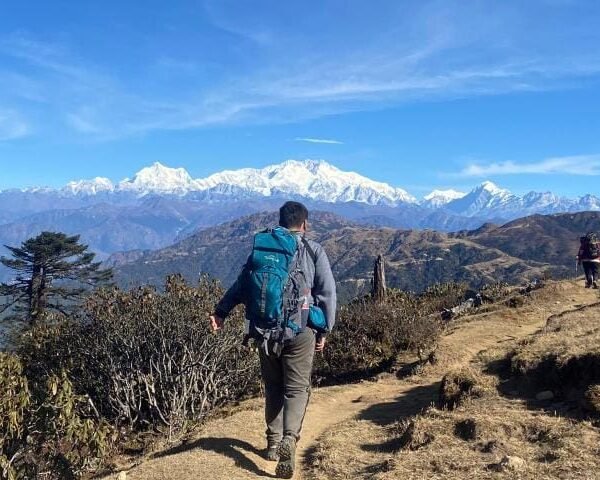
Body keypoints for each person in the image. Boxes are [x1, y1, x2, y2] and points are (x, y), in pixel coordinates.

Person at [209, 201, 337, 479]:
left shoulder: (264, 249)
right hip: (300, 331)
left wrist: (220, 313)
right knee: (296, 388)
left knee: (274, 387)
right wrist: (324, 329)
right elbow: (327, 294)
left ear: (280, 221)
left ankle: (272, 442)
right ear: (304, 224)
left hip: (264, 330)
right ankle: (290, 438)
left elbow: (242, 285)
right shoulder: (313, 251)